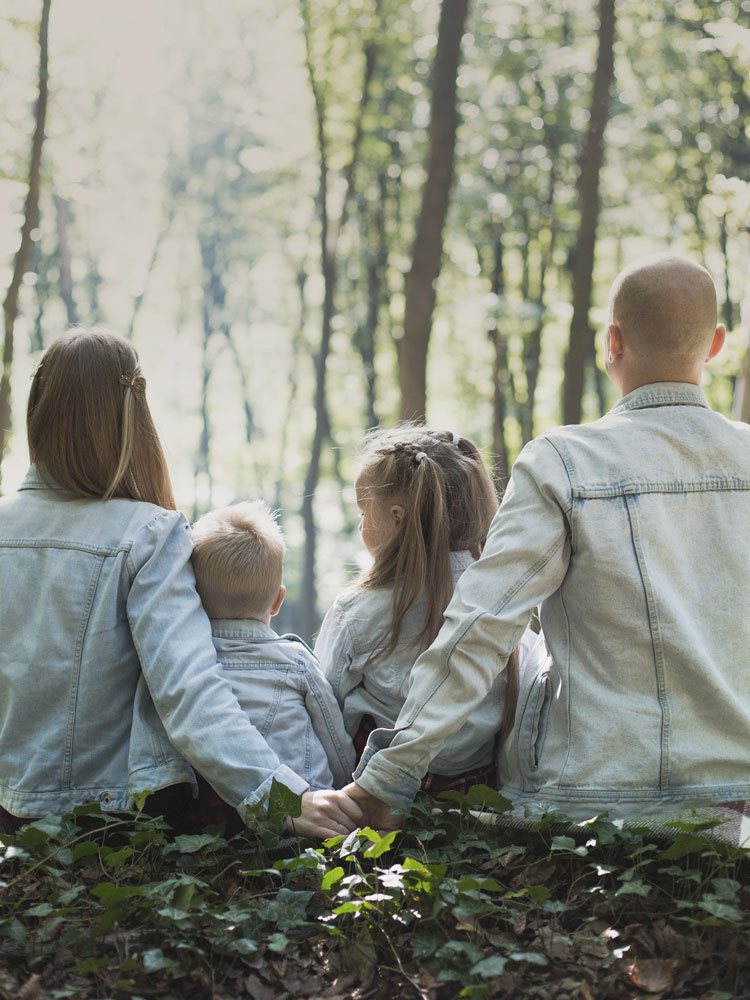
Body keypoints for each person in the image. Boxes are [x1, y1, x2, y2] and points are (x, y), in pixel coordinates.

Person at [344, 254, 750, 827]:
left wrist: (389, 776)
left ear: (612, 343)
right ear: (715, 345)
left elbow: (481, 624)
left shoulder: (564, 462)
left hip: (591, 796)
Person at [0, 329, 362, 839]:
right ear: (131, 418)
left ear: (39, 407)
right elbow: (188, 690)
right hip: (108, 821)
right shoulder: (147, 533)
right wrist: (281, 798)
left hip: (8, 813)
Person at [314, 426, 527, 796]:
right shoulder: (503, 601)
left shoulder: (358, 610)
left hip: (376, 793)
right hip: (476, 789)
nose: (362, 526)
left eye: (364, 513)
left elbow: (324, 708)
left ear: (397, 517)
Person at [190, 500, 354, 792]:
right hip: (305, 805)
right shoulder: (295, 662)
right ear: (278, 601)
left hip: (218, 812)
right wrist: (344, 785)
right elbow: (334, 740)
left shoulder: (186, 663)